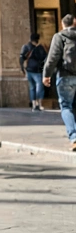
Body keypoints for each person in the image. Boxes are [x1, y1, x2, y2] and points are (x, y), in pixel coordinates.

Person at [42, 15, 76, 151]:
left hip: (65, 75)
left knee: (66, 106)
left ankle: (74, 137)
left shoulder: (59, 36)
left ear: (63, 24)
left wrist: (46, 75)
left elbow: (53, 57)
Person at [21, 32, 48, 112]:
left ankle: (33, 104)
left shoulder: (26, 47)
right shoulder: (40, 48)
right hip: (37, 70)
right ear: (38, 39)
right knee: (40, 87)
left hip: (29, 70)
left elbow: (21, 58)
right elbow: (45, 58)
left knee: (32, 87)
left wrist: (22, 68)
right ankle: (39, 104)